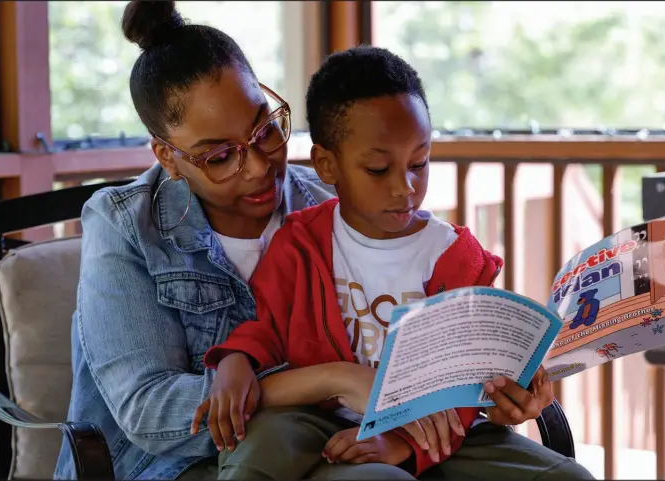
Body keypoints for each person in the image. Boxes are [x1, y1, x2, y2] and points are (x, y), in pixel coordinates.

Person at [54, 2, 435, 480]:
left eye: (265, 129)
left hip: (324, 441)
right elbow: (150, 413)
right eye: (219, 156)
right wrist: (333, 379)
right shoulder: (126, 225)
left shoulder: (329, 201)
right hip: (174, 464)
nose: (258, 166)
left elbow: (414, 321)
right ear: (167, 157)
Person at [195, 46, 595, 481]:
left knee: (569, 477)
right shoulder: (299, 244)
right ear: (327, 165)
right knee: (259, 450)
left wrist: (411, 441)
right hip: (318, 417)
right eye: (379, 169)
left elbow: (468, 379)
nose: (405, 187)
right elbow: (266, 330)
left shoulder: (456, 257)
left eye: (419, 163)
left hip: (437, 430)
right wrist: (235, 358)